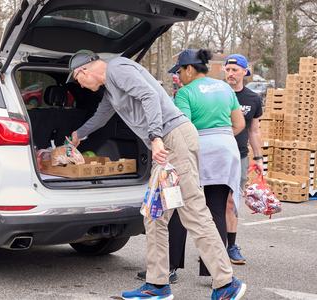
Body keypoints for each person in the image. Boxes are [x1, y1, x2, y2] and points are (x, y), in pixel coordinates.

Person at [66, 49, 246, 300]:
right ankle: (157, 285)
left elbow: (149, 95)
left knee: (193, 211)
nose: (81, 85)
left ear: (83, 70)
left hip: (173, 139)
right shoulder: (111, 89)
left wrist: (155, 137)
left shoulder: (118, 68)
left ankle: (227, 283)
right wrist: (78, 135)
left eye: (78, 79)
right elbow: (101, 116)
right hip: (166, 144)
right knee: (154, 214)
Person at [170, 48, 246, 278]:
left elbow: (184, 129)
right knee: (217, 210)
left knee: (180, 208)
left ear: (190, 69)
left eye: (179, 71)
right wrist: (220, 138)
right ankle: (213, 271)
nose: (178, 76)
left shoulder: (185, 93)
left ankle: (170, 267)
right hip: (226, 150)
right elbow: (240, 123)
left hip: (198, 149)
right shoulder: (225, 87)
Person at [224, 54, 263, 264]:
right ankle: (214, 247)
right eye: (228, 70)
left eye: (235, 70)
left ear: (244, 72)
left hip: (239, 156)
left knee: (232, 202)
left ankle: (231, 246)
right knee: (212, 201)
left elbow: (254, 130)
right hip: (216, 156)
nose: (230, 74)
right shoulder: (217, 93)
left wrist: (258, 157)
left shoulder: (253, 99)